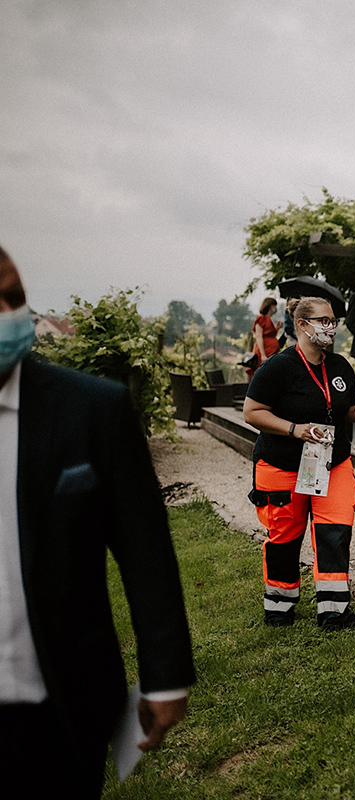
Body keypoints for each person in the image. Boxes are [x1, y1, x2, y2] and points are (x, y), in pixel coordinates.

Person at [0, 245, 195, 795]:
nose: (8, 315)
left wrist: (165, 675)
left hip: (58, 704)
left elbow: (144, 548)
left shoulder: (90, 409)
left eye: (14, 298)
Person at [244, 295, 355, 630]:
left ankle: (334, 612)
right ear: (302, 324)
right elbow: (252, 412)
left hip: (331, 464)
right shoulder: (277, 367)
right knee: (284, 537)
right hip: (281, 466)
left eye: (333, 321)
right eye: (323, 321)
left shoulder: (339, 366)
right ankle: (279, 607)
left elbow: (352, 408)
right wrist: (294, 429)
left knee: (334, 533)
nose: (331, 327)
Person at [250, 296, 281, 376]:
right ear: (271, 306)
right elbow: (259, 336)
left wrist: (277, 328)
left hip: (271, 351)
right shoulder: (261, 318)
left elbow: (270, 335)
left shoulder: (269, 319)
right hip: (264, 351)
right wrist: (263, 354)